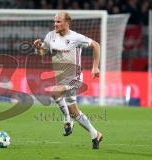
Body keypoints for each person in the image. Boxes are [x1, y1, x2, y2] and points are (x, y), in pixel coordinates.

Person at [33, 11, 103, 149]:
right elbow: (42, 52)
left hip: (74, 77)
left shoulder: (76, 37)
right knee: (74, 112)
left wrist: (95, 67)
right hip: (61, 78)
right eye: (55, 21)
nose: (55, 24)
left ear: (67, 23)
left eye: (58, 21)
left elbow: (96, 45)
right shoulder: (50, 36)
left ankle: (67, 121)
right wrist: (37, 48)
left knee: (55, 91)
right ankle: (95, 134)